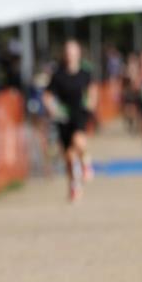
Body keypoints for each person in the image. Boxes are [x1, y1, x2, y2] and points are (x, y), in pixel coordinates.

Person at [43, 40, 98, 202]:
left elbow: (92, 90)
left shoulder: (85, 73)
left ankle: (86, 164)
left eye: (73, 52)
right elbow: (47, 95)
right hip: (63, 116)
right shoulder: (58, 75)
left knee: (78, 141)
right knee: (69, 156)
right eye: (68, 52)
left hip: (79, 112)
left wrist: (91, 105)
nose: (70, 55)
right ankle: (74, 185)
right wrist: (52, 109)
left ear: (78, 54)